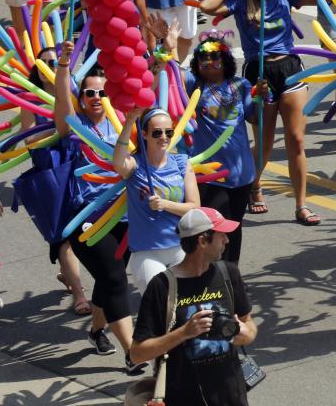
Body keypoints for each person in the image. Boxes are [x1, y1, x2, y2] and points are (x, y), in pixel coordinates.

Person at [201, 0, 333, 225]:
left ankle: (301, 206)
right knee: (265, 142)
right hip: (257, 72)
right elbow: (207, 6)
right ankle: (255, 185)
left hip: (289, 67)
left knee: (296, 139)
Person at [53, 44, 138, 365]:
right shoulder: (73, 128)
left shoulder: (120, 121)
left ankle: (96, 330)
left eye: (101, 93)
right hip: (86, 219)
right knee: (116, 278)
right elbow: (63, 101)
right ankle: (133, 352)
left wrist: (161, 55)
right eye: (88, 93)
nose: (95, 99)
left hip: (125, 215)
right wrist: (63, 65)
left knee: (107, 280)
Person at [129, 208, 256, 404]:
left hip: (231, 396)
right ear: (203, 241)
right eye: (221, 235)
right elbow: (137, 354)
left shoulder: (228, 274)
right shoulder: (162, 286)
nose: (227, 241)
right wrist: (184, 333)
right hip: (182, 397)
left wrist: (243, 333)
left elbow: (249, 327)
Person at [179, 33, 255, 265]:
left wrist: (264, 99)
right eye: (203, 57)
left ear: (226, 59)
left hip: (242, 173)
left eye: (214, 56)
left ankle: (231, 273)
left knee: (234, 226)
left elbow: (255, 118)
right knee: (216, 226)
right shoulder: (194, 85)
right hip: (210, 175)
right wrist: (167, 46)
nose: (208, 61)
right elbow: (173, 75)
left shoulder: (241, 86)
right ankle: (215, 273)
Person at [113, 107, 201, 291]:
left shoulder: (182, 162)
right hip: (147, 252)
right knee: (162, 303)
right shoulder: (135, 165)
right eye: (157, 132)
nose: (164, 137)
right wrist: (129, 121)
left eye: (169, 132)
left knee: (190, 303)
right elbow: (118, 162)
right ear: (144, 134)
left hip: (180, 247)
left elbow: (194, 207)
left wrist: (165, 204)